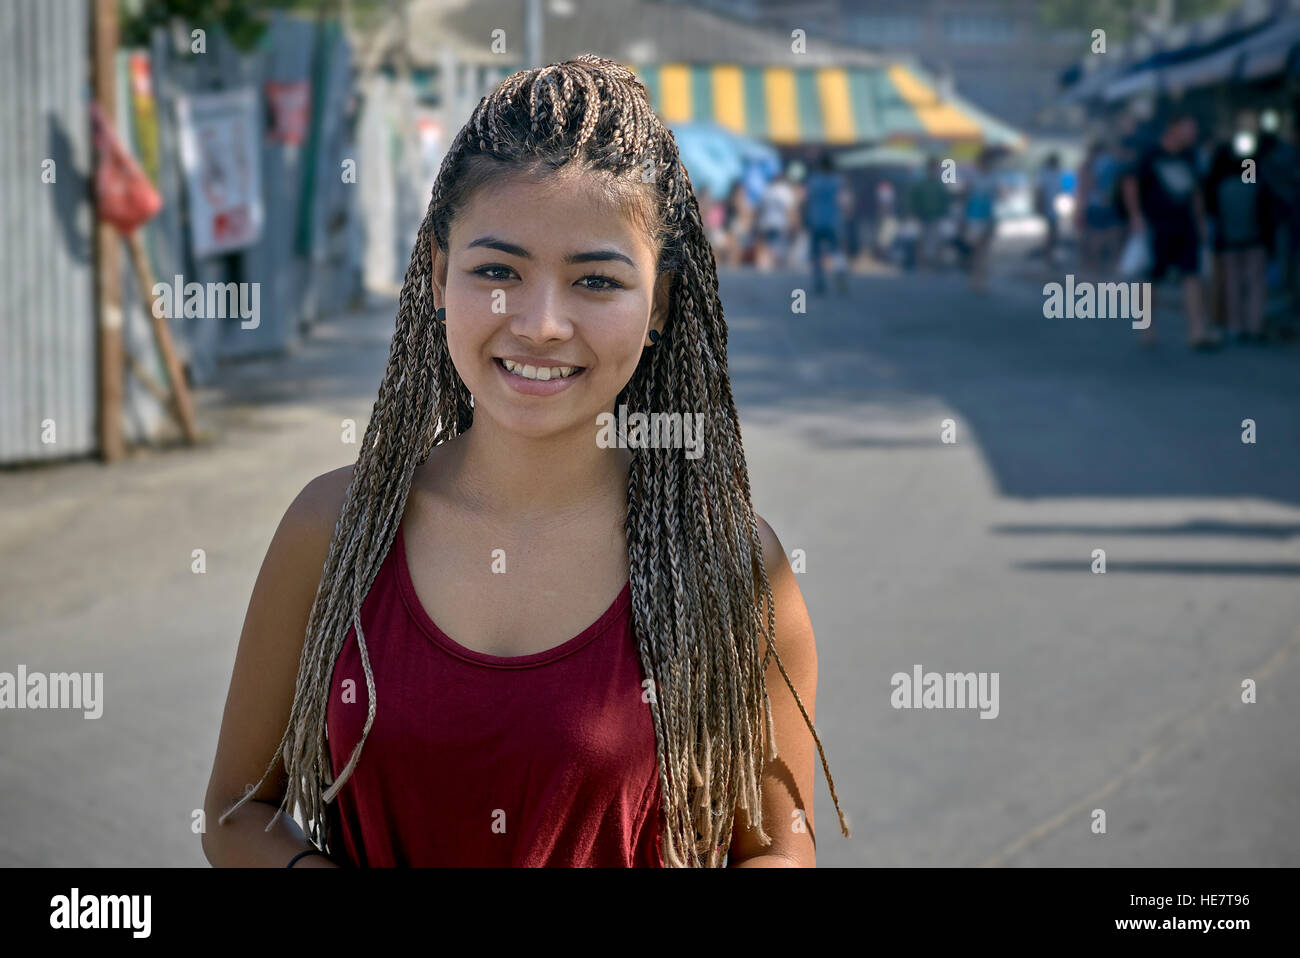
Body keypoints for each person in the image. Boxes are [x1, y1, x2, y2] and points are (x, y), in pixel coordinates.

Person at [202, 55, 849, 870]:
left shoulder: (728, 567)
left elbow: (777, 852)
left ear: (660, 307)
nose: (541, 323)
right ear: (439, 276)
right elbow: (233, 812)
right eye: (498, 271)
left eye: (597, 282)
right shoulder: (335, 530)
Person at [1122, 111, 1218, 349]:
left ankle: (1197, 331)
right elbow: (1130, 184)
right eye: (1189, 128)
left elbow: (1196, 191)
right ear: (1174, 128)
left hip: (1185, 225)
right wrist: (1136, 216)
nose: (1193, 134)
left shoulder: (1191, 156)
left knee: (1192, 276)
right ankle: (1147, 330)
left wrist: (1201, 220)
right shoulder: (1151, 154)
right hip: (1157, 225)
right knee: (1151, 280)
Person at [1204, 141, 1269, 341]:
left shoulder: (1220, 186)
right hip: (1254, 239)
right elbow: (1265, 213)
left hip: (1229, 241)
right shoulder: (1252, 185)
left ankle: (1235, 326)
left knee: (1232, 283)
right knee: (1255, 284)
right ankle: (1254, 325)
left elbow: (1213, 211)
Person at [803, 151, 848, 294]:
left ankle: (819, 281)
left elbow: (807, 200)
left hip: (816, 220)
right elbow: (844, 201)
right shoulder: (838, 180)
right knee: (835, 251)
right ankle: (840, 271)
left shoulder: (814, 180)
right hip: (833, 220)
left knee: (816, 254)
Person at [961, 148, 998, 293]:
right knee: (977, 248)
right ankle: (975, 278)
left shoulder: (992, 177)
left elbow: (994, 198)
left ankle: (980, 280)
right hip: (974, 215)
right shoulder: (973, 177)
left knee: (984, 249)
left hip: (987, 214)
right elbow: (966, 196)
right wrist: (963, 218)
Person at [906, 155, 952, 271]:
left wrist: (945, 213)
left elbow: (945, 200)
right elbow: (913, 199)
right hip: (923, 216)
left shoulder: (939, 184)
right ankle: (922, 264)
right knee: (921, 240)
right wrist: (913, 213)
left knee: (937, 240)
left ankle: (936, 263)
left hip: (937, 216)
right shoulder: (921, 184)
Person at [755, 168, 798, 270]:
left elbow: (760, 208)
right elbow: (790, 209)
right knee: (780, 249)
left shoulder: (767, 190)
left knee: (768, 248)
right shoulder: (785, 191)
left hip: (766, 223)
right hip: (780, 224)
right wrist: (794, 223)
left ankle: (767, 270)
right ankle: (777, 270)